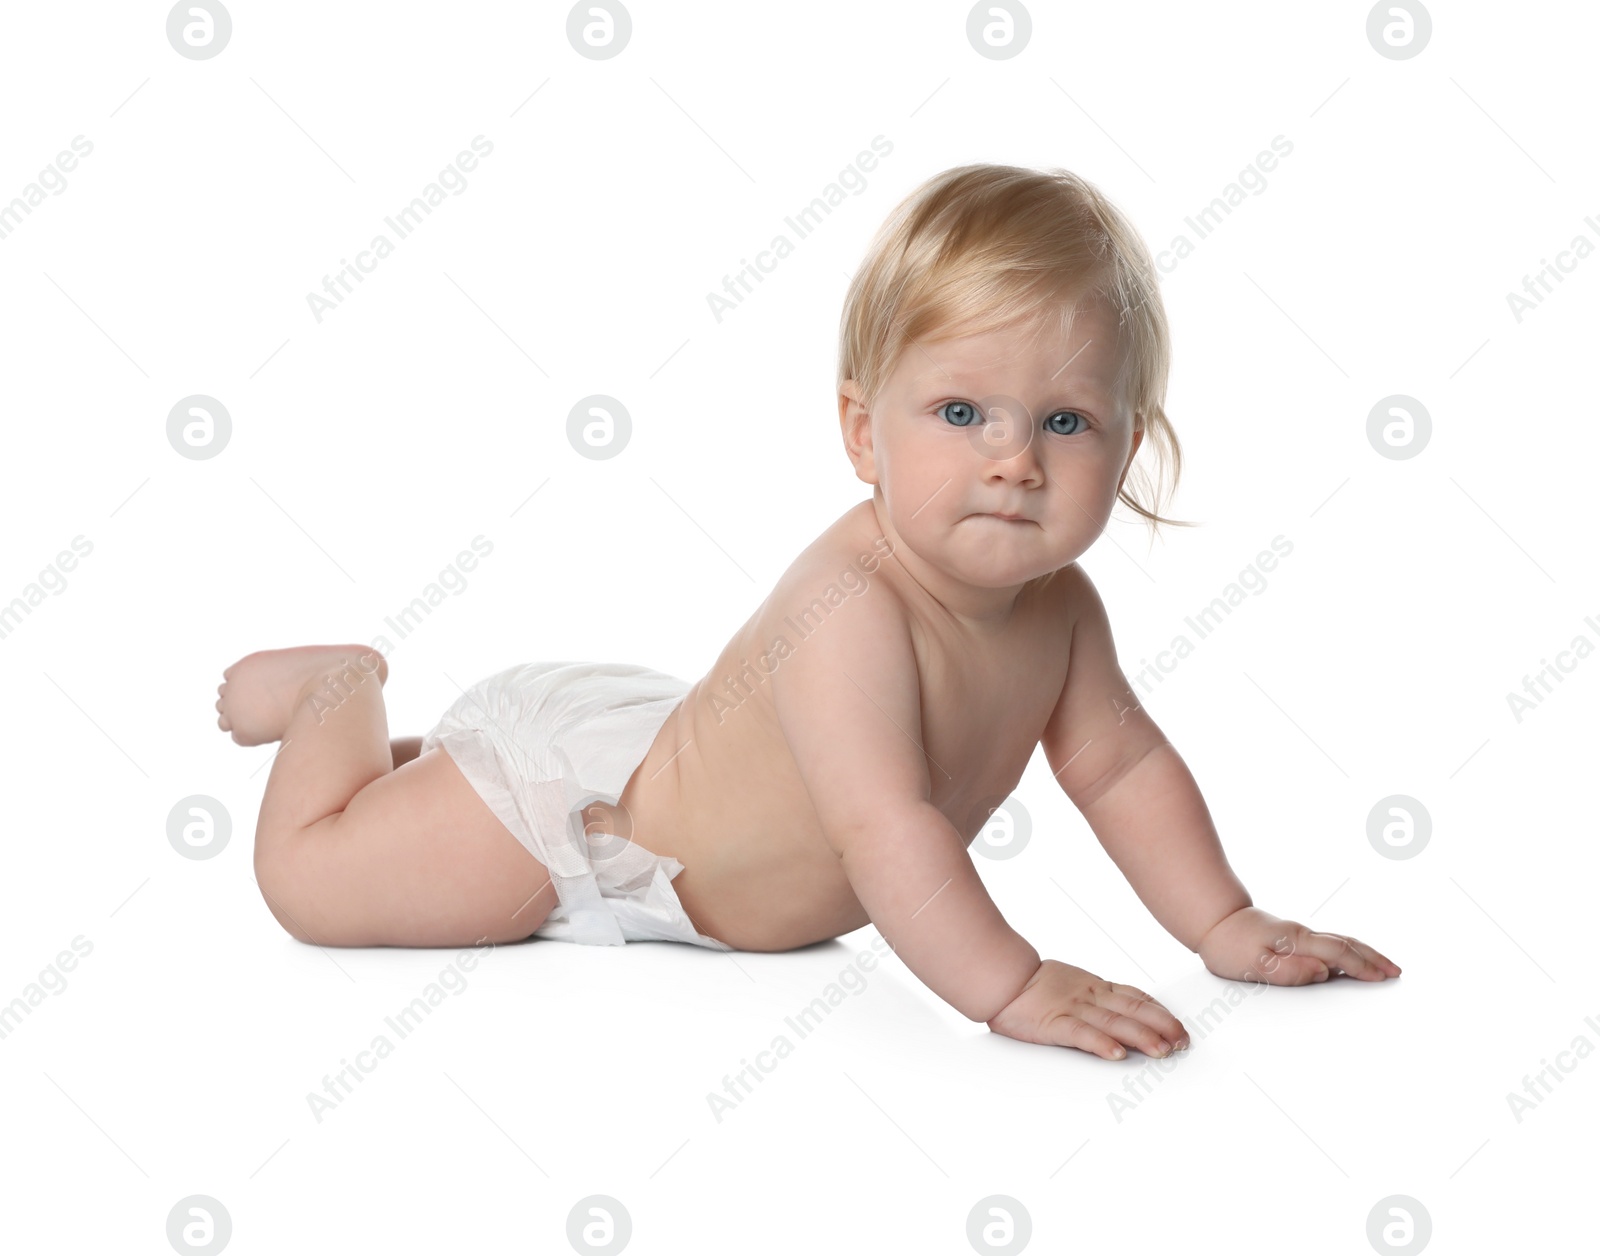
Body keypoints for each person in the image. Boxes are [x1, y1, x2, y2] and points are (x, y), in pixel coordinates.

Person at [215, 163, 1399, 1060]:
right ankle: (336, 697)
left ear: (1128, 445)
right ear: (858, 431)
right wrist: (1010, 981)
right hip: (583, 834)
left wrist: (1225, 922)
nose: (1013, 461)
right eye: (959, 412)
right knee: (313, 888)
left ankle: (408, 762)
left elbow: (1123, 766)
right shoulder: (851, 607)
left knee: (403, 830)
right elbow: (884, 829)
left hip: (675, 785)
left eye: (1065, 422)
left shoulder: (1064, 609)